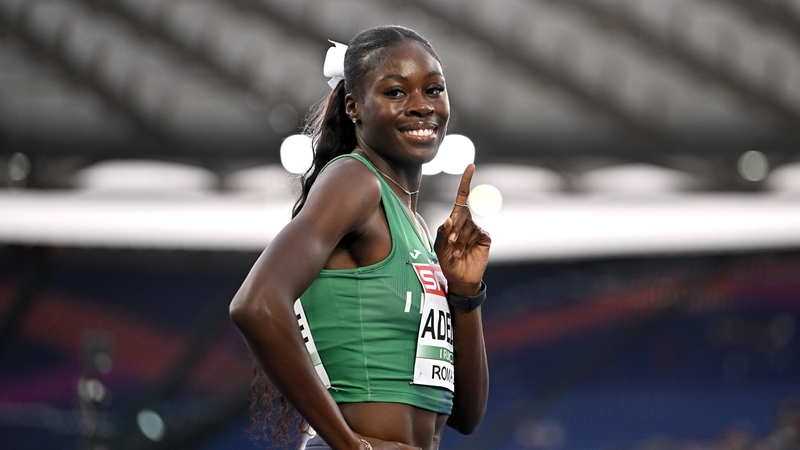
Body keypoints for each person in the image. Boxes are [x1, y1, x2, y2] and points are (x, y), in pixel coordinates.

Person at [229, 25, 491, 450]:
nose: (422, 106)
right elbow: (255, 304)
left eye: (434, 89)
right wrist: (352, 447)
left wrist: (465, 293)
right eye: (396, 92)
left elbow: (466, 415)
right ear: (354, 107)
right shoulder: (355, 181)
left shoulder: (418, 228)